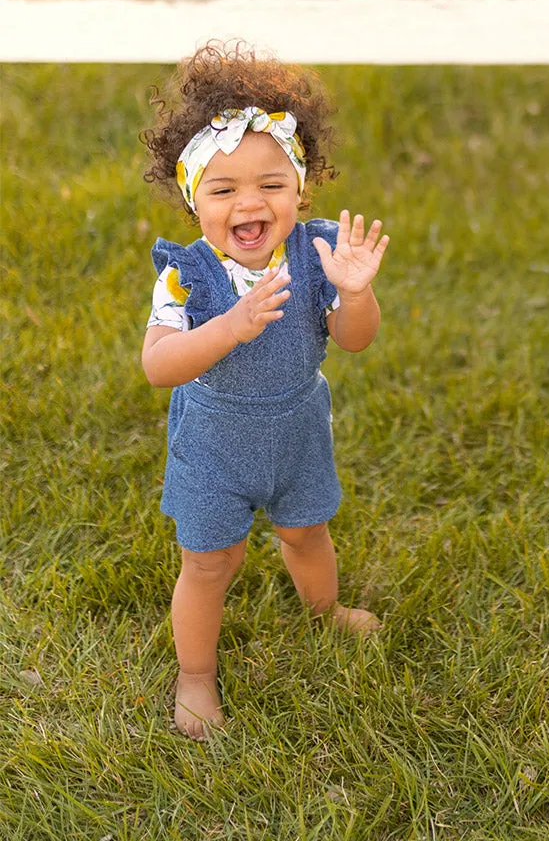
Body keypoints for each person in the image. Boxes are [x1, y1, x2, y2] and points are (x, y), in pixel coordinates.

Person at [140, 43, 390, 739]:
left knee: (308, 530)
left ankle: (324, 610)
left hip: (296, 432)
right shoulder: (186, 277)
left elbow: (355, 338)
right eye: (224, 191)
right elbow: (159, 365)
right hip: (214, 444)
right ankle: (195, 676)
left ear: (301, 189)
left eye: (271, 184)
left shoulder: (317, 253)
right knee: (209, 561)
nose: (250, 202)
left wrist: (355, 293)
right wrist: (229, 326)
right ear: (195, 203)